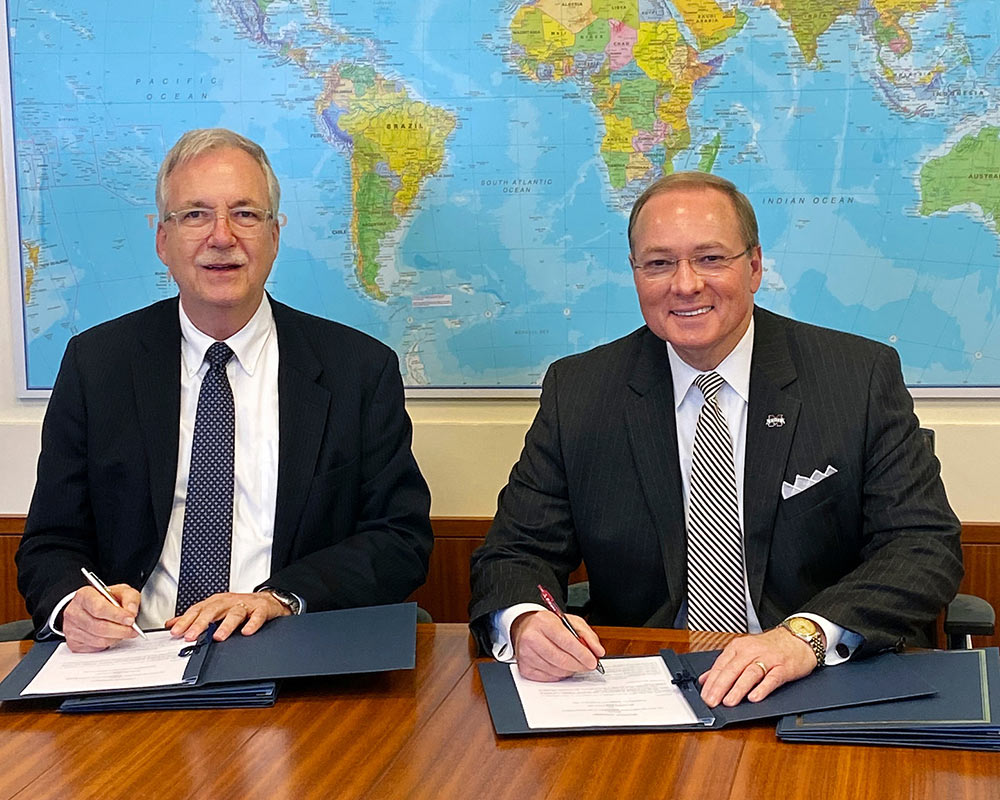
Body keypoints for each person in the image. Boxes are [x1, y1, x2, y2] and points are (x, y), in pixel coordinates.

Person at [468, 171, 963, 708]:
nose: (685, 284)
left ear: (754, 267)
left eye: (710, 258)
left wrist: (808, 636)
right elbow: (515, 552)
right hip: (647, 685)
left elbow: (922, 546)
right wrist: (524, 621)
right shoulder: (582, 391)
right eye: (659, 263)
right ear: (635, 274)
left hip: (817, 681)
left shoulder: (856, 376)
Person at [17, 128, 433, 652]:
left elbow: (399, 541)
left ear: (275, 236)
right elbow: (51, 544)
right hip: (136, 654)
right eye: (194, 214)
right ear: (162, 241)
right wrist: (72, 604)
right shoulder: (96, 365)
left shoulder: (358, 370)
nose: (221, 236)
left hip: (290, 645)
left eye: (245, 213)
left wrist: (281, 598)